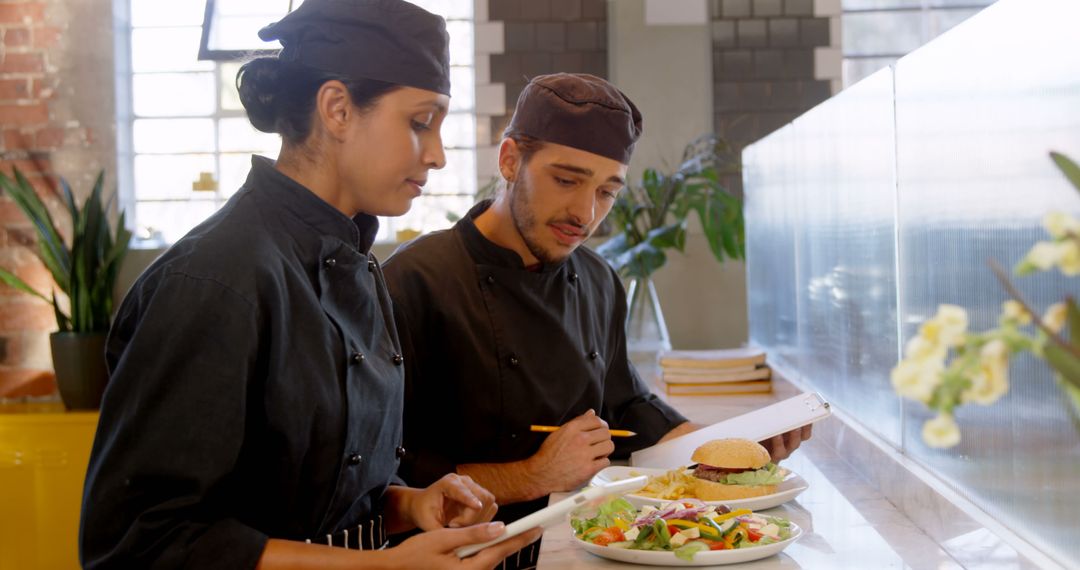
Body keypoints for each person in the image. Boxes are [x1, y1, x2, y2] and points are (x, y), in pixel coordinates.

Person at [79, 1, 539, 568]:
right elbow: (138, 541)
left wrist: (412, 505)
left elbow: (315, 502)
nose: (438, 155)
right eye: (421, 122)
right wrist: (382, 567)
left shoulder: (356, 265)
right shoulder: (216, 280)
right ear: (338, 109)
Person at [382, 73, 811, 568]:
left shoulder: (599, 279)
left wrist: (719, 450)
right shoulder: (411, 282)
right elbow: (389, 475)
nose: (585, 213)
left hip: (579, 543)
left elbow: (625, 405)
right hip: (457, 558)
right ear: (509, 160)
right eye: (566, 180)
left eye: (607, 191)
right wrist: (533, 474)